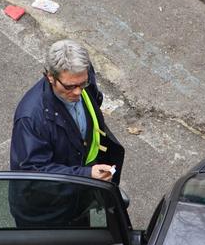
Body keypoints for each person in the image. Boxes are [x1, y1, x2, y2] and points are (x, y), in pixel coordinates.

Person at [9, 39, 124, 226]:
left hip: (78, 197)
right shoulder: (31, 119)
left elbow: (94, 98)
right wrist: (86, 175)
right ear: (50, 77)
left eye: (83, 84)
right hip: (47, 214)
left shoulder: (79, 75)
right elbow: (33, 175)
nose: (78, 92)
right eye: (70, 87)